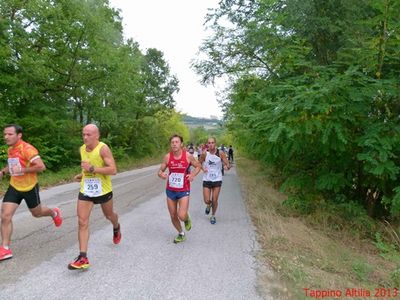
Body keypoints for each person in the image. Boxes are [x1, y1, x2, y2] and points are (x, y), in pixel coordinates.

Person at [0, 124, 63, 261]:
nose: (6, 137)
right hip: (14, 186)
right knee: (5, 216)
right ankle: (5, 248)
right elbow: (12, 165)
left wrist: (22, 170)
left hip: (29, 187)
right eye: (5, 134)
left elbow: (41, 167)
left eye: (10, 134)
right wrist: (4, 171)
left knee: (37, 213)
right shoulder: (11, 149)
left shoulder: (27, 149)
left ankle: (53, 212)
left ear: (19, 135)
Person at [68, 124, 121, 270]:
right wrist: (82, 174)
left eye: (89, 134)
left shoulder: (103, 148)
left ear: (97, 136)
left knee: (109, 215)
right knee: (82, 221)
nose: (85, 137)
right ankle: (83, 257)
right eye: (83, 134)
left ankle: (116, 226)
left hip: (103, 190)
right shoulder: (81, 149)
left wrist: (92, 169)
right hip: (87, 189)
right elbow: (87, 166)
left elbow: (113, 170)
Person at [158, 134, 201, 243]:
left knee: (181, 215)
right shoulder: (167, 157)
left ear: (181, 144)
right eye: (172, 142)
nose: (174, 144)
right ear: (170, 144)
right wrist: (161, 174)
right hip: (170, 190)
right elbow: (160, 171)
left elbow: (198, 166)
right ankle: (181, 233)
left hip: (183, 190)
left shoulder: (188, 156)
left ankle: (186, 218)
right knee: (173, 215)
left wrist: (192, 175)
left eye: (177, 142)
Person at [199, 137, 230, 225]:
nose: (211, 144)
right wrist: (202, 168)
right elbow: (198, 163)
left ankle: (213, 215)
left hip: (217, 179)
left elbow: (227, 163)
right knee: (206, 200)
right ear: (207, 144)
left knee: (215, 199)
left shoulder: (220, 153)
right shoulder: (205, 154)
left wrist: (226, 166)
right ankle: (208, 205)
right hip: (207, 178)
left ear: (215, 143)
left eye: (212, 142)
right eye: (209, 143)